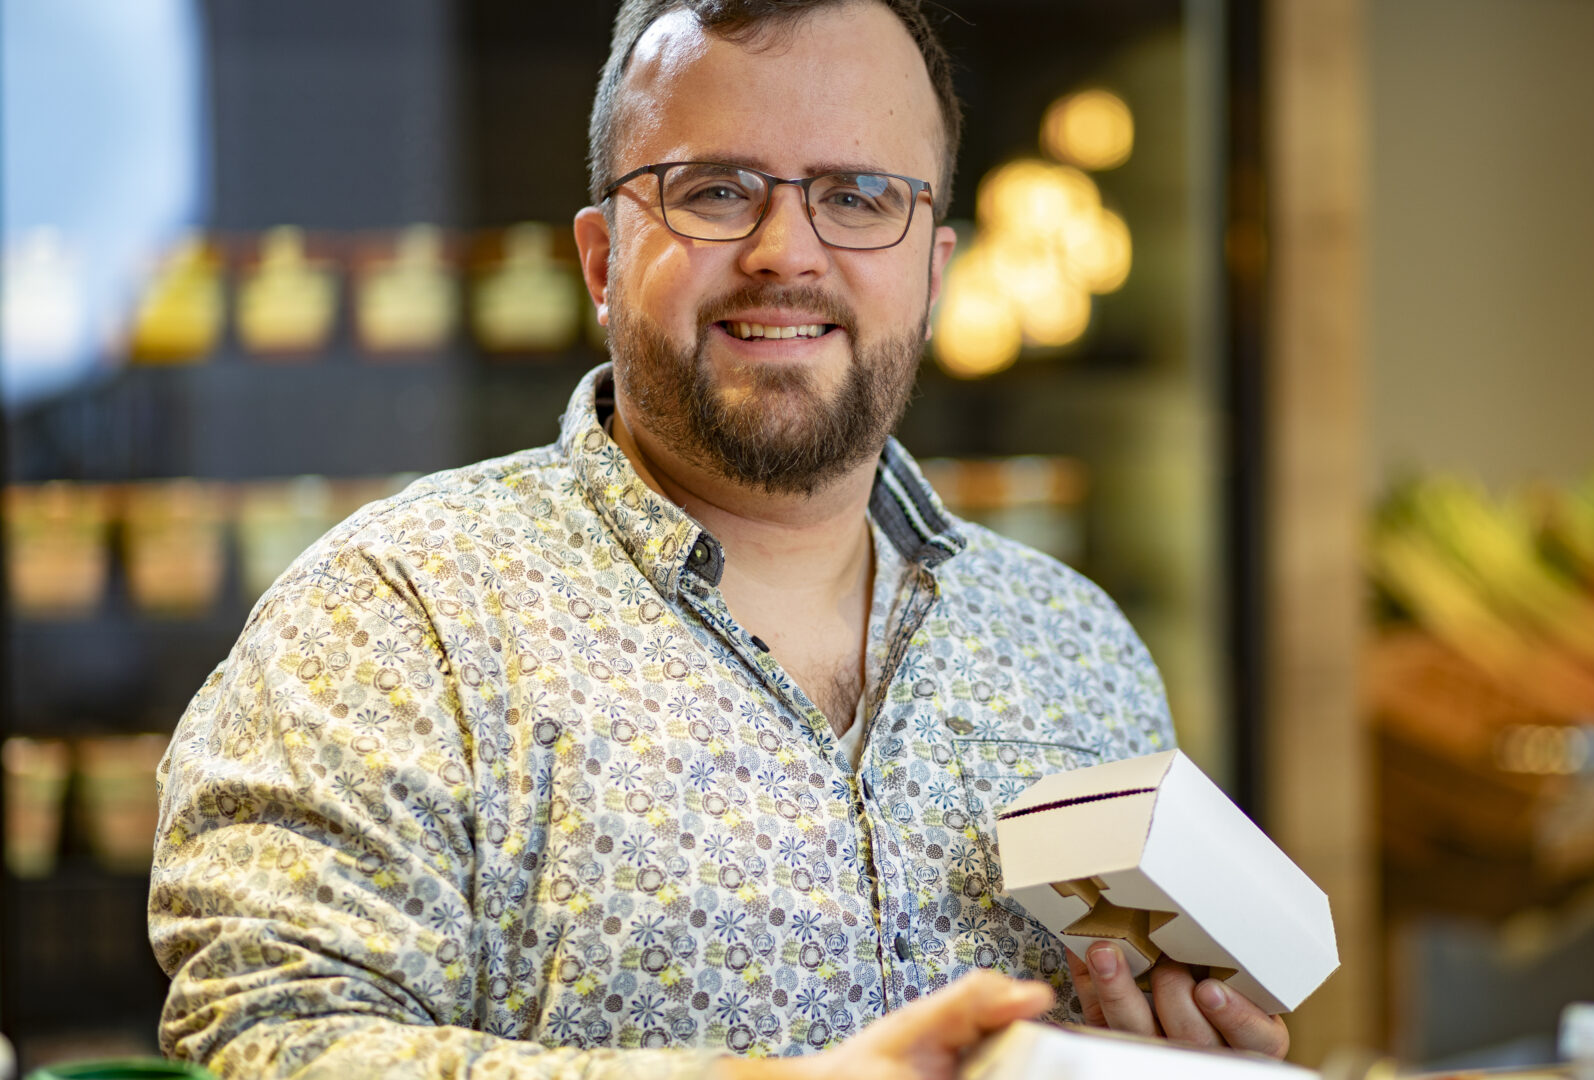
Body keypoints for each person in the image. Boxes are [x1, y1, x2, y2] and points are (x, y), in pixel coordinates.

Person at [148, 0, 1292, 1075]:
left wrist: (1176, 1059)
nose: (786, 252)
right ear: (601, 260)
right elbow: (268, 1044)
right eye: (715, 190)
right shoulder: (395, 616)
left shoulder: (1075, 646)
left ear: (934, 273)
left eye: (857, 197)